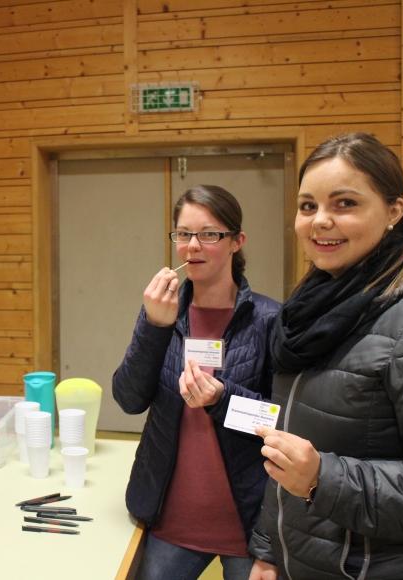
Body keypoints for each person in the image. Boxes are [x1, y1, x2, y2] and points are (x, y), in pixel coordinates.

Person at [248, 132, 403, 580]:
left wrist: (324, 480)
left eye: (345, 204)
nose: (319, 221)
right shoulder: (318, 304)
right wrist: (269, 549)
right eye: (307, 206)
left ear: (394, 211)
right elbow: (292, 445)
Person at [113, 185, 280, 580]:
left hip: (247, 527)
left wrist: (223, 399)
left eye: (209, 234)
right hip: (171, 521)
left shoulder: (269, 320)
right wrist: (154, 325)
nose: (193, 246)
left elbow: (282, 421)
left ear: (237, 241)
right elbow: (129, 399)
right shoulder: (164, 311)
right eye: (183, 234)